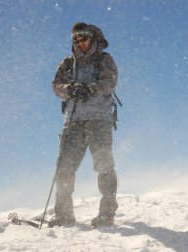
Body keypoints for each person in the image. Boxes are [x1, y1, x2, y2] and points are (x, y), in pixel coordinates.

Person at [51, 22, 118, 227]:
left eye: (84, 39)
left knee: (104, 166)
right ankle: (63, 216)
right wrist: (70, 89)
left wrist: (91, 89)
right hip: (73, 121)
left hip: (99, 120)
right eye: (76, 40)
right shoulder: (67, 63)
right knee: (64, 168)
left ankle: (106, 214)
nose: (80, 43)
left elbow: (110, 82)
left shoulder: (104, 59)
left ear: (93, 38)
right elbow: (56, 86)